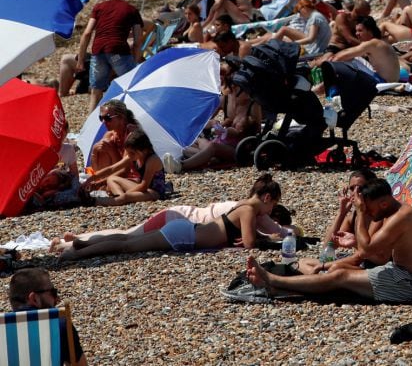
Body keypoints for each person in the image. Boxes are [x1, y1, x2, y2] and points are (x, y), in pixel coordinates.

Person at [244, 179, 412, 304]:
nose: (368, 213)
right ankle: (277, 288)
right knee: (336, 270)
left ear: (384, 203)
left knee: (340, 277)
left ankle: (272, 280)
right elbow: (367, 250)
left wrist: (360, 213)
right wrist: (352, 241)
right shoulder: (394, 212)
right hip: (401, 274)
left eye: (369, 209)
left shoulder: (401, 217)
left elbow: (367, 250)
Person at [60, 174, 282, 260]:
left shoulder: (243, 204)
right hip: (183, 235)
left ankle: (84, 243)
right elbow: (249, 244)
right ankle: (78, 254)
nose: (271, 211)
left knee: (127, 238)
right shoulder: (249, 210)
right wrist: (268, 240)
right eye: (273, 205)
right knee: (126, 246)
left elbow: (246, 238)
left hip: (185, 229)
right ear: (267, 197)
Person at [76, 0, 143, 109]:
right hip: (118, 53)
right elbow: (137, 41)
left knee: (96, 91)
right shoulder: (132, 10)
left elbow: (87, 33)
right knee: (131, 85)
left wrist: (80, 60)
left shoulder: (99, 7)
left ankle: (90, 121)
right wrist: (135, 61)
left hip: (99, 53)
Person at [8, 268, 87, 366]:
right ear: (34, 299)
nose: (57, 299)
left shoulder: (3, 328)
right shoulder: (58, 325)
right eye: (53, 293)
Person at [83, 129, 166, 207]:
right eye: (128, 153)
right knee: (111, 179)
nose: (129, 156)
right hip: (143, 188)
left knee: (126, 196)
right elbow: (112, 169)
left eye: (132, 153)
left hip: (154, 193)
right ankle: (120, 199)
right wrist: (91, 179)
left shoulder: (152, 160)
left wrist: (127, 193)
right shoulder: (134, 156)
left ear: (143, 150)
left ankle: (95, 201)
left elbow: (144, 186)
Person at [328, 15, 404, 84]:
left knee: (348, 60)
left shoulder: (372, 44)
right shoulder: (379, 42)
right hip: (389, 79)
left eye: (360, 31)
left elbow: (342, 56)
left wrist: (332, 61)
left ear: (370, 31)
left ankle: (329, 85)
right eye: (356, 31)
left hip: (384, 82)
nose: (357, 34)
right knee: (354, 58)